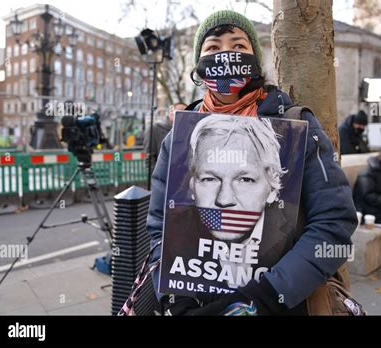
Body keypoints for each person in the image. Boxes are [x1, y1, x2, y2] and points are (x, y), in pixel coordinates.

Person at [146, 10, 357, 315]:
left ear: (256, 60)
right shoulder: (178, 138)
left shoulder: (295, 125)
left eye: (238, 46)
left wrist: (267, 297)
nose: (226, 55)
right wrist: (174, 297)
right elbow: (158, 228)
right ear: (199, 65)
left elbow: (334, 225)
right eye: (213, 48)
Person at [161, 114, 297, 292]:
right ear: (192, 185)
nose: (224, 199)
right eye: (210, 179)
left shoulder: (298, 233)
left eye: (245, 180)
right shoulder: (173, 232)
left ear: (272, 188)